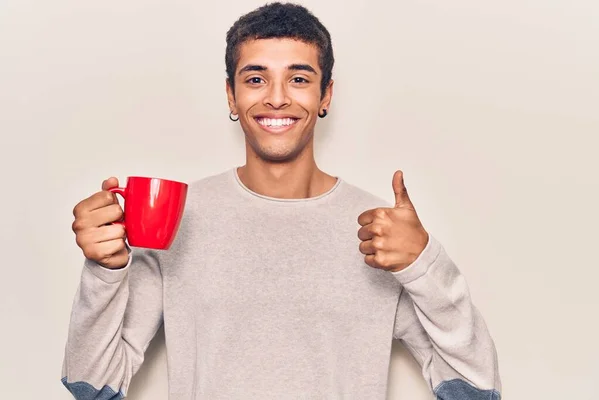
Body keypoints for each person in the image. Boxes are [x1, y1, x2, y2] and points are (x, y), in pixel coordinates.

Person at [61, 3, 501, 399]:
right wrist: (105, 270)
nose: (276, 97)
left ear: (325, 95)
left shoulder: (379, 233)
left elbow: (476, 389)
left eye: (298, 78)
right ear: (232, 95)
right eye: (256, 79)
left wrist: (424, 262)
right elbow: (93, 385)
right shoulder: (180, 216)